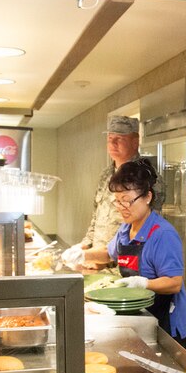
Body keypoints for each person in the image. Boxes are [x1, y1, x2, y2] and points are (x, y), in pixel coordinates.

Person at [84, 159, 186, 347]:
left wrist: (143, 283)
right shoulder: (126, 228)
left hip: (166, 324)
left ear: (147, 197)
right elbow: (109, 254)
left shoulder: (162, 234)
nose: (121, 207)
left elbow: (174, 283)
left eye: (127, 200)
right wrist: (81, 255)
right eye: (117, 201)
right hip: (142, 316)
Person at [61, 115, 145, 271]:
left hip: (125, 268)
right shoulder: (106, 174)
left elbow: (142, 232)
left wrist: (101, 258)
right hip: (96, 263)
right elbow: (96, 216)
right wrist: (84, 246)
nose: (112, 144)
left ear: (135, 142)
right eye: (110, 139)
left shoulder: (145, 177)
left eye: (119, 139)